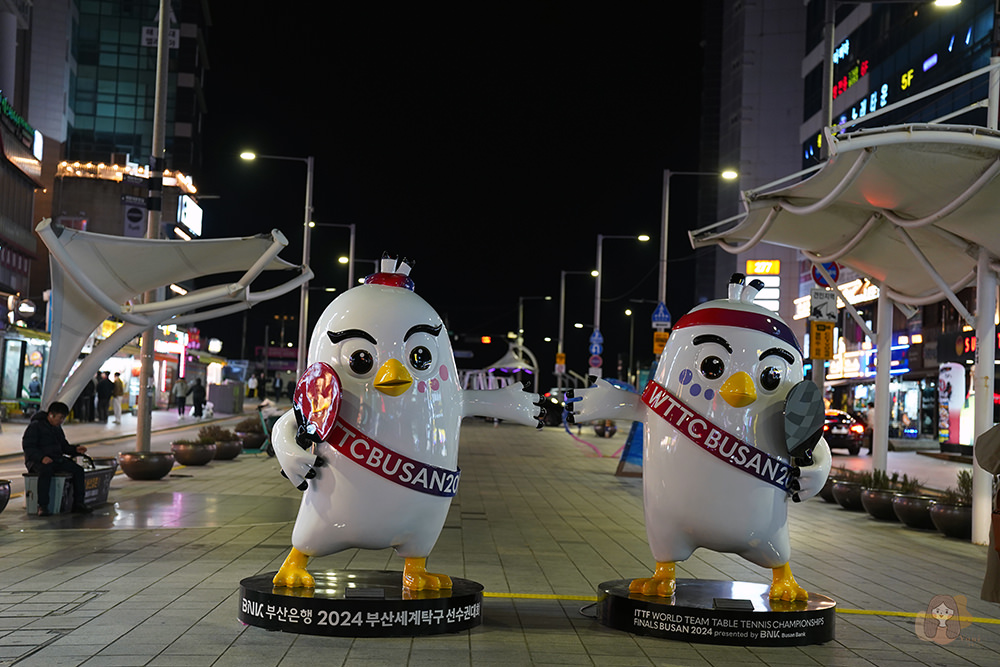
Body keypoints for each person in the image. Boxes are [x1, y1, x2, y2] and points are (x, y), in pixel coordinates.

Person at [22, 401, 92, 515]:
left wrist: (75, 449)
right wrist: (41, 458)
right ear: (51, 415)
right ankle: (43, 506)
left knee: (78, 470)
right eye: (60, 418)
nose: (61, 421)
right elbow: (28, 447)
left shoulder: (57, 428)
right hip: (37, 461)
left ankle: (79, 503)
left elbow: (63, 445)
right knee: (46, 470)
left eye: (63, 418)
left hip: (55, 458)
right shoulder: (35, 426)